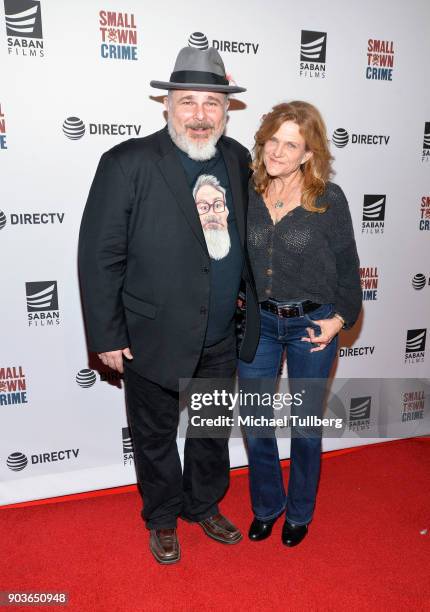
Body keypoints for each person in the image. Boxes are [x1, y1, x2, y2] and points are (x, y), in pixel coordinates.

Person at [78, 45, 260, 564]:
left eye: (211, 103)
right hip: (150, 335)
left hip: (221, 333)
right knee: (154, 434)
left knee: (208, 432)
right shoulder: (127, 162)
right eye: (188, 102)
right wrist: (108, 334)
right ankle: (161, 516)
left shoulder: (237, 158)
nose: (200, 115)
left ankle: (202, 505)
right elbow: (99, 255)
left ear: (226, 110)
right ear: (167, 106)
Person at [238, 101, 362, 547]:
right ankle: (267, 506)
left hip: (312, 324)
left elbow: (349, 269)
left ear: (309, 153)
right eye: (272, 139)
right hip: (262, 325)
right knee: (255, 422)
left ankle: (300, 512)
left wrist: (340, 320)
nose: (277, 151)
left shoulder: (329, 198)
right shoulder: (248, 190)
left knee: (306, 426)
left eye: (291, 144)